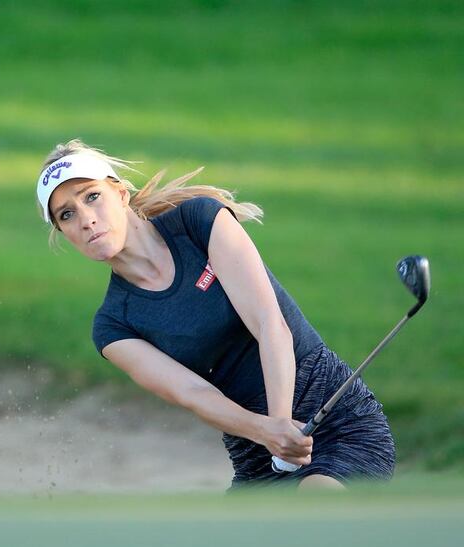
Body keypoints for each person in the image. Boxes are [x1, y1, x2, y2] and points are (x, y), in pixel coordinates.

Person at [35, 139, 396, 490]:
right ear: (63, 231)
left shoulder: (199, 221)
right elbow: (195, 393)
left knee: (318, 499)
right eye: (67, 214)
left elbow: (270, 323)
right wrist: (269, 433)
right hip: (257, 455)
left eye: (92, 197)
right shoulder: (113, 326)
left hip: (335, 420)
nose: (85, 219)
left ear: (121, 194)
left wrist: (282, 423)